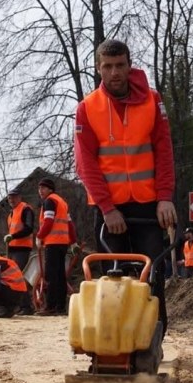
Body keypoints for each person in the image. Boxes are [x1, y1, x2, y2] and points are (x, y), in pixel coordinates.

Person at [74, 38, 176, 333]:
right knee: (112, 279)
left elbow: (164, 151)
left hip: (147, 206)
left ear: (129, 66)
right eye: (108, 66)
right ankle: (114, 341)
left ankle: (154, 337)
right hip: (110, 211)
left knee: (152, 275)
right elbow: (86, 165)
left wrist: (165, 198)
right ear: (98, 69)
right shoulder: (87, 109)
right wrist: (107, 208)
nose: (115, 72)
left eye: (120, 65)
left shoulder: (152, 101)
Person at [36, 177, 78, 316]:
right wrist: (73, 242)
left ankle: (51, 306)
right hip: (63, 243)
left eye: (43, 188)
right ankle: (60, 307)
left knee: (51, 275)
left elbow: (48, 221)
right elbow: (70, 225)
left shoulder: (49, 201)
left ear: (50, 189)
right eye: (39, 188)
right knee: (60, 276)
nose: (40, 191)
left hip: (53, 243)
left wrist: (39, 236)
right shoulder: (62, 202)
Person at [3, 188, 35, 271]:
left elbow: (29, 229)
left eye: (14, 197)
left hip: (22, 249)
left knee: (18, 274)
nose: (11, 200)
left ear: (20, 197)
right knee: (12, 274)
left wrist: (13, 236)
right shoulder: (11, 214)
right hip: (11, 249)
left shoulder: (26, 209)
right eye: (9, 198)